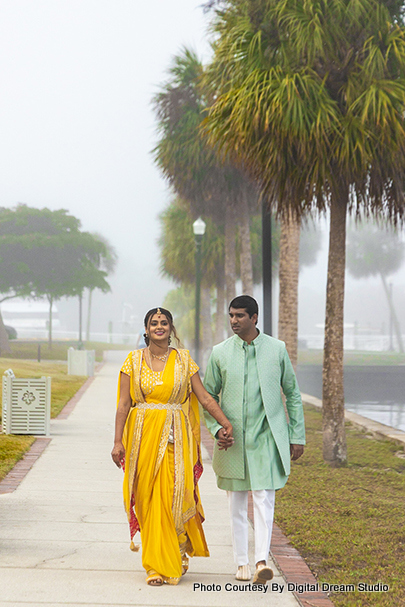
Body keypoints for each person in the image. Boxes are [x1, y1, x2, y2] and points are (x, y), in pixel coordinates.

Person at [111, 307, 233, 586]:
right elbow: (123, 404)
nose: (159, 326)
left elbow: (204, 397)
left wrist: (224, 423)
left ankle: (171, 557)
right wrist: (117, 441)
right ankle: (154, 563)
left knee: (172, 496)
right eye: (154, 323)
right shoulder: (131, 361)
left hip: (175, 441)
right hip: (141, 438)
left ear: (171, 328)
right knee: (146, 498)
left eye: (164, 322)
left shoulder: (184, 360)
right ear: (145, 329)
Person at [203, 295, 305, 586]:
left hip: (267, 438)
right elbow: (208, 396)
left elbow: (293, 394)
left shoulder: (277, 350)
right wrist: (217, 429)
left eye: (240, 316)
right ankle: (241, 562)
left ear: (255, 317)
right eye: (231, 315)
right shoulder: (220, 352)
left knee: (263, 498)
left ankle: (261, 560)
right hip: (233, 441)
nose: (234, 320)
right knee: (235, 502)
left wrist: (296, 435)